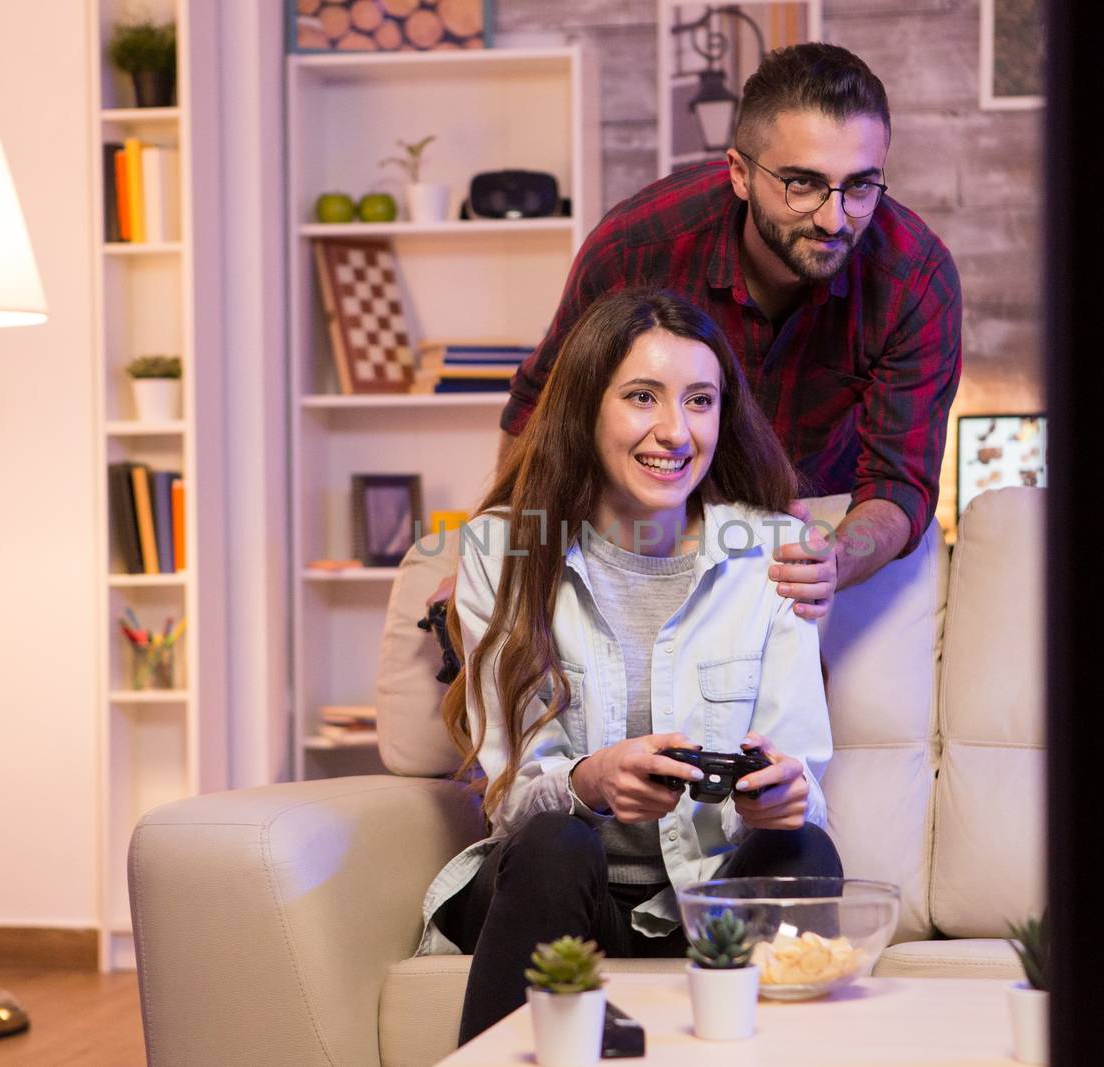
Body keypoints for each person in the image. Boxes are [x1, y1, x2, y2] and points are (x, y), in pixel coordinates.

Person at [417, 290, 842, 1044]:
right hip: (559, 890)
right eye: (642, 396)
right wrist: (588, 782)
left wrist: (784, 796)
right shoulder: (499, 552)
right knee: (556, 841)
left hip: (705, 904)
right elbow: (509, 797)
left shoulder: (771, 552)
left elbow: (802, 778)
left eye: (700, 401)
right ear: (587, 407)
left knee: (806, 847)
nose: (675, 431)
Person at [496, 42, 963, 620]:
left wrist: (835, 558)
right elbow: (537, 411)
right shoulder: (637, 247)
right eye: (802, 183)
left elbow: (900, 484)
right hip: (650, 520)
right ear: (740, 173)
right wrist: (508, 566)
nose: (833, 218)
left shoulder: (915, 279)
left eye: (861, 186)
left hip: (814, 525)